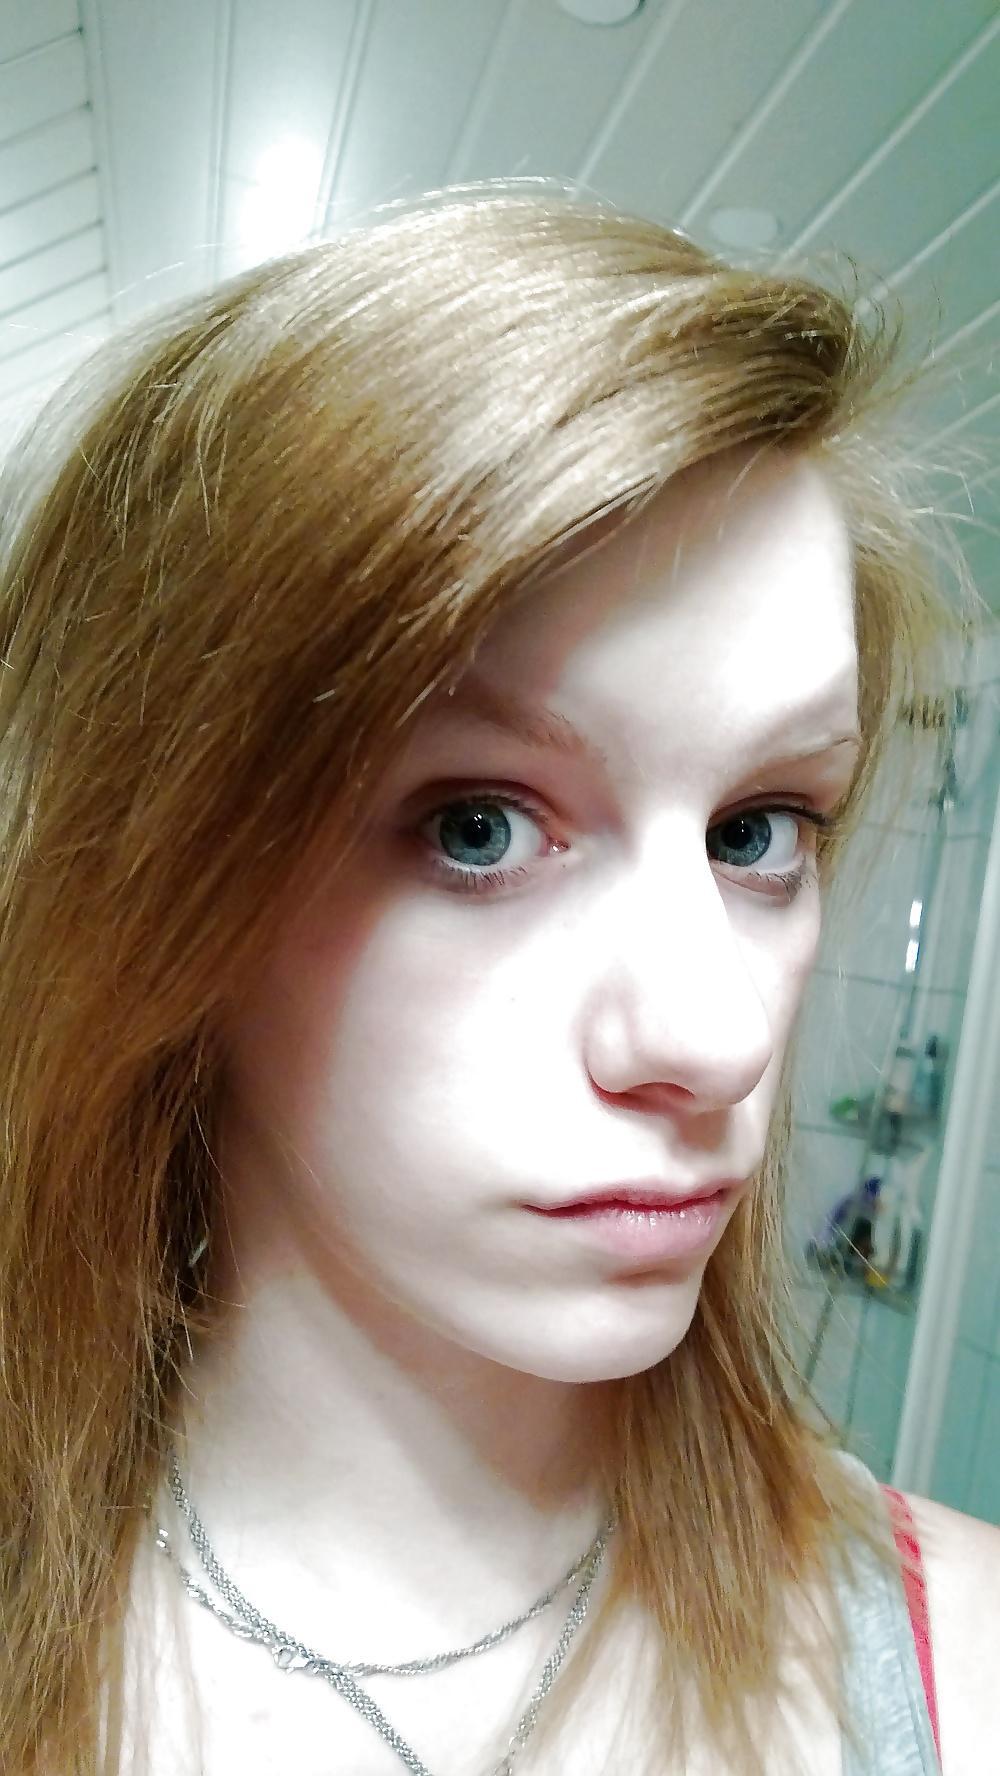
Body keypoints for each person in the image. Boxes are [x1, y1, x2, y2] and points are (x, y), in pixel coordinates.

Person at [0, 188, 996, 1776]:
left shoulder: (965, 1673)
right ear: (153, 887)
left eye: (759, 829)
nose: (717, 1037)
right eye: (478, 827)